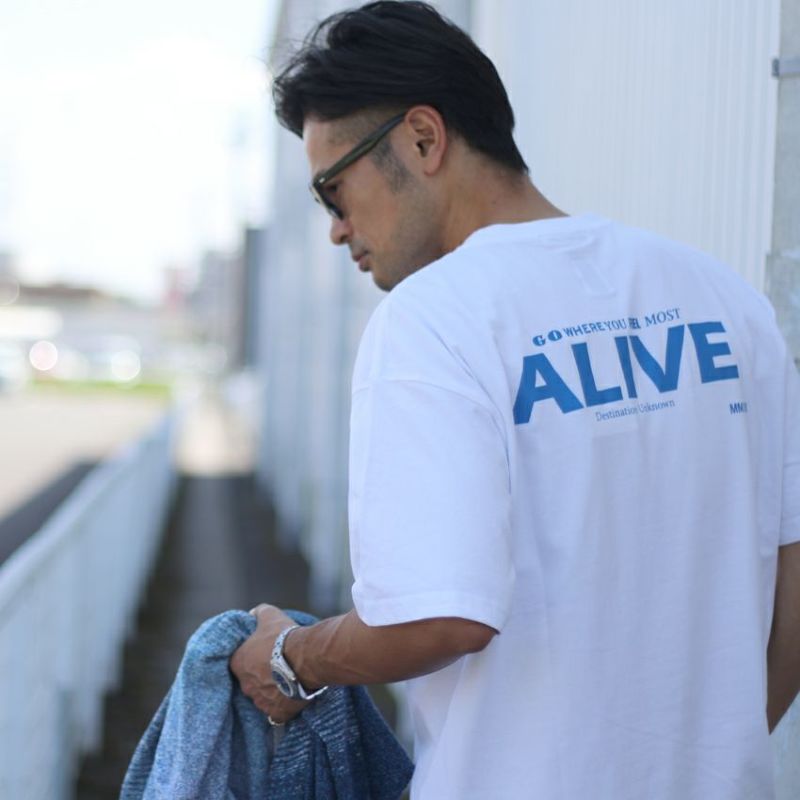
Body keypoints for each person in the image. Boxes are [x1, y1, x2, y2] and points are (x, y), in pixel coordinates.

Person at [230, 2, 800, 797]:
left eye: (334, 190)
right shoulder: (723, 299)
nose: (335, 228)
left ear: (422, 139)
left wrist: (290, 658)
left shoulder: (434, 321)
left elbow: (438, 616)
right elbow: (791, 583)